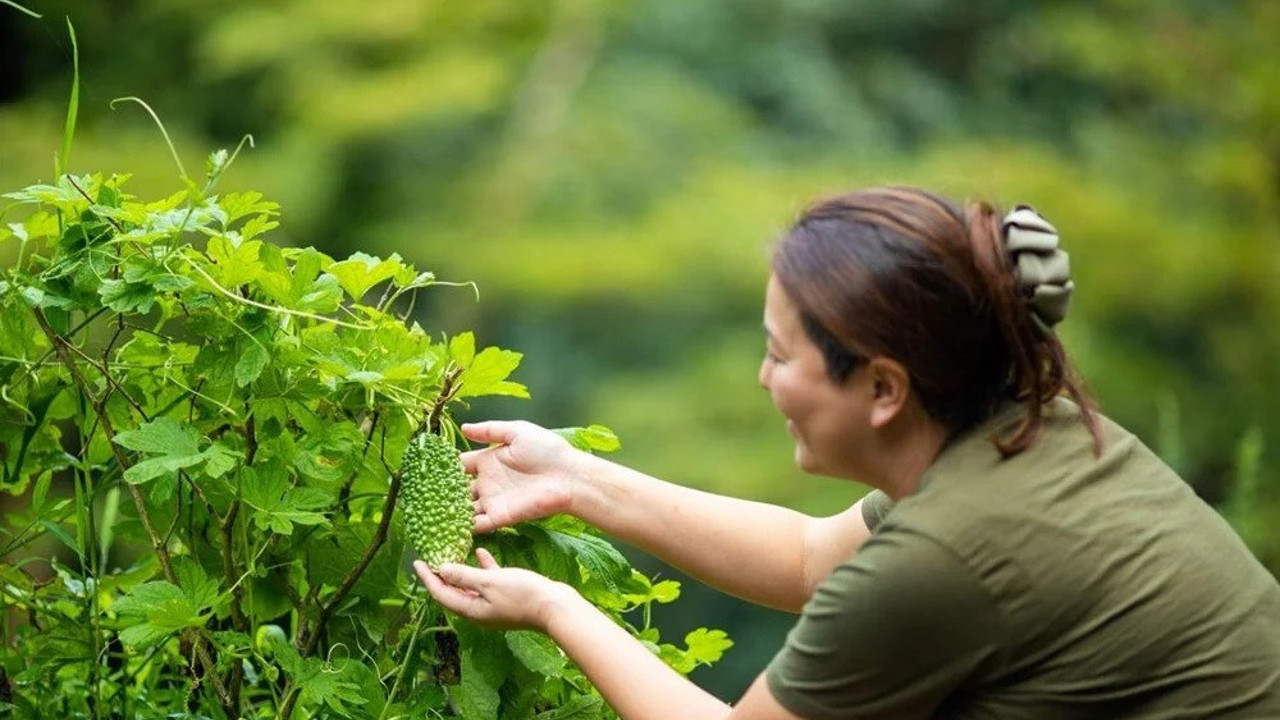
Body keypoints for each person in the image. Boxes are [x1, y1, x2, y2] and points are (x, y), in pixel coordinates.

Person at [415, 186, 1280, 720]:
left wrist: (556, 608)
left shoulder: (947, 556)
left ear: (882, 390)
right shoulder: (1023, 424)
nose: (763, 379)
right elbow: (807, 560)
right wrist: (578, 479)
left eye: (780, 356)